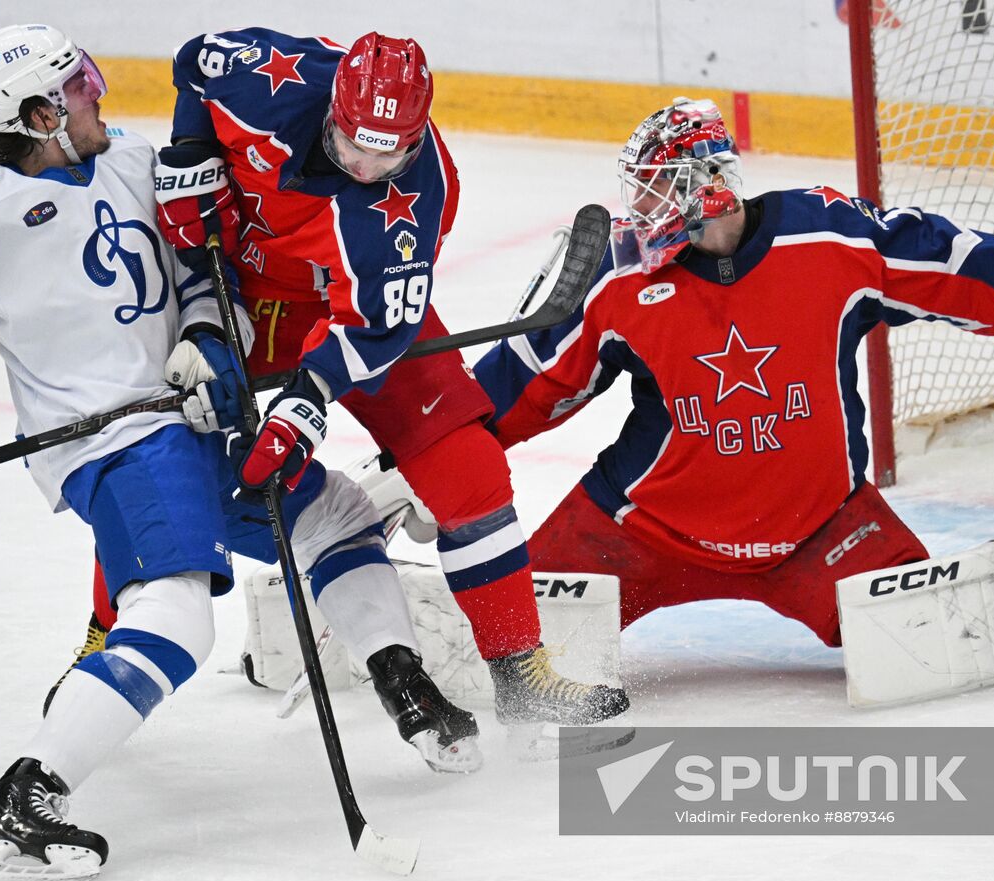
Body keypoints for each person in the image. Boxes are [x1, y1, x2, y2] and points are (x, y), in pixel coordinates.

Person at [0, 24, 476, 881]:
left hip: (195, 424)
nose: (99, 89)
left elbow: (201, 272)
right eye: (79, 83)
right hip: (117, 441)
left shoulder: (134, 161)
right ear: (39, 115)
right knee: (174, 616)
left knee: (336, 517)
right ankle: (28, 793)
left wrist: (210, 336)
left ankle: (402, 678)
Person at [472, 98, 994, 648]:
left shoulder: (827, 238)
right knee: (504, 638)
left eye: (656, 191)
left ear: (705, 187)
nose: (641, 211)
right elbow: (536, 377)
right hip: (640, 530)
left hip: (822, 532)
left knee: (944, 638)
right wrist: (444, 449)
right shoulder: (618, 278)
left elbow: (944, 264)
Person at [140, 27, 630, 734]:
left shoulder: (424, 192)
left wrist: (306, 401)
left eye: (389, 150)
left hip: (351, 306)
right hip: (237, 292)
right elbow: (193, 61)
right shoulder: (264, 83)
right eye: (352, 144)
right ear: (334, 106)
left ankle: (521, 672)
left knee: (468, 468)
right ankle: (100, 636)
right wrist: (192, 152)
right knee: (157, 443)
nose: (369, 166)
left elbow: (372, 326)